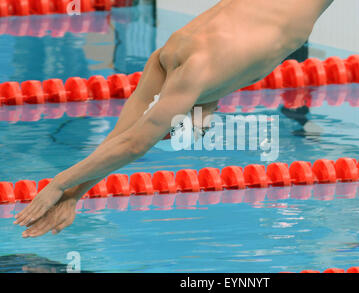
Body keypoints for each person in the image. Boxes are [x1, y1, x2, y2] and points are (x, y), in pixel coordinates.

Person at [14, 0, 333, 237]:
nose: (204, 126)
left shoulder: (189, 68)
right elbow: (123, 138)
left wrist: (60, 185)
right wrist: (74, 196)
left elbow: (132, 143)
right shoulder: (180, 58)